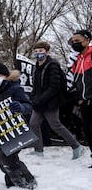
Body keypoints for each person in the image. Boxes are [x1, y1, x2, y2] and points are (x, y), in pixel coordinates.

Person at [0, 62, 37, 189]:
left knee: (7, 160)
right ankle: (12, 181)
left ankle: (24, 181)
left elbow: (28, 106)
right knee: (3, 161)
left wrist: (20, 107)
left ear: (6, 76)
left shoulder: (15, 89)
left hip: (14, 130)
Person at [29, 41, 84, 159]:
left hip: (50, 103)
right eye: (36, 51)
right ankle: (38, 150)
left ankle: (77, 146)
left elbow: (54, 86)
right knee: (33, 124)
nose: (38, 53)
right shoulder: (36, 67)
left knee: (55, 125)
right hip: (39, 102)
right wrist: (33, 98)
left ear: (47, 52)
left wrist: (42, 99)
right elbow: (35, 85)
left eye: (41, 51)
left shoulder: (53, 65)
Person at [70, 30, 92, 167]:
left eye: (77, 41)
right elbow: (77, 81)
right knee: (88, 132)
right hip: (84, 103)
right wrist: (78, 98)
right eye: (72, 41)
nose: (74, 43)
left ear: (87, 40)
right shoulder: (77, 60)